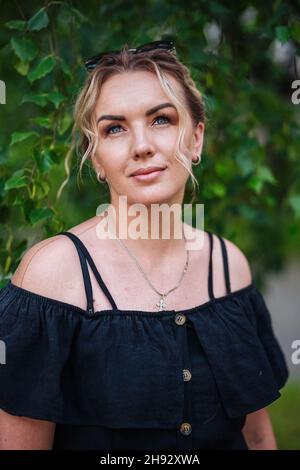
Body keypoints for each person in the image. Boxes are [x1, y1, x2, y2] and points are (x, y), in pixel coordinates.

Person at [0, 40, 289, 450]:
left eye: (161, 120)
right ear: (96, 158)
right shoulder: (52, 277)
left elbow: (258, 438)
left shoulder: (229, 267)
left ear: (196, 140)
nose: (141, 146)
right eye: (114, 128)